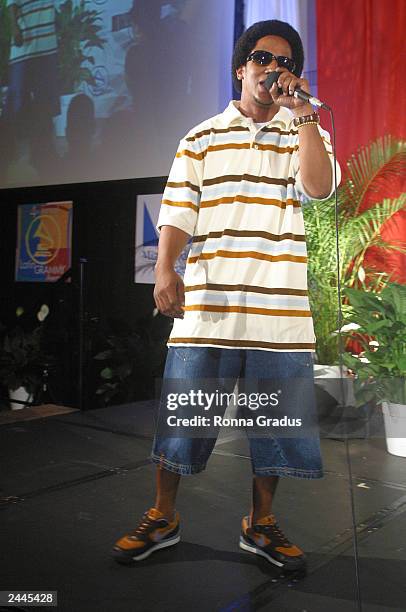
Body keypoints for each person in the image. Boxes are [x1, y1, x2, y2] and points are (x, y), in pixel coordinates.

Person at [112, 19, 341, 571]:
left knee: (275, 427)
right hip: (207, 311)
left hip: (278, 314)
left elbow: (319, 187)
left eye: (284, 62)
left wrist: (304, 114)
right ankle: (163, 516)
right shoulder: (200, 137)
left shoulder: (305, 131)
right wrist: (165, 270)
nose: (273, 69)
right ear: (241, 68)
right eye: (262, 58)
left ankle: (260, 524)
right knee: (183, 420)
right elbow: (175, 212)